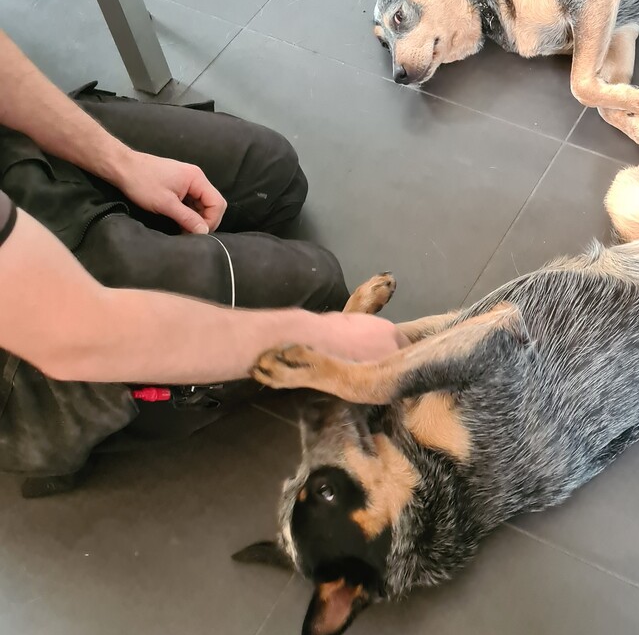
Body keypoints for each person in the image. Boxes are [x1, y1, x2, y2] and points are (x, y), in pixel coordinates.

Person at [0, 31, 402, 495]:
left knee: (274, 177)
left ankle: (148, 249)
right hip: (36, 333)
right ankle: (47, 415)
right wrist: (318, 335)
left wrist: (123, 163)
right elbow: (74, 330)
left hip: (12, 156)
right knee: (319, 290)